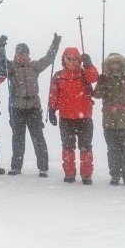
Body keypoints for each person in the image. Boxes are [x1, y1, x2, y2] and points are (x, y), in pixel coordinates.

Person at [0, 33, 60, 177]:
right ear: (16, 55)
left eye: (25, 54)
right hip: (17, 108)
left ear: (28, 55)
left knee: (38, 138)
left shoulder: (34, 66)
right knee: (18, 138)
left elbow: (49, 58)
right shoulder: (11, 67)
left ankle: (43, 167)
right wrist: (0, 46)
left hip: (34, 108)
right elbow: (1, 60)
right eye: (20, 54)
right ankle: (16, 167)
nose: (23, 56)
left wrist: (55, 44)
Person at [47, 47, 99, 184]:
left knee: (85, 147)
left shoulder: (84, 73)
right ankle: (69, 174)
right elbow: (53, 94)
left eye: (75, 58)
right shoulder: (58, 76)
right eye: (68, 58)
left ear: (79, 60)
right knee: (68, 147)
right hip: (66, 118)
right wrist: (52, 110)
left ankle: (86, 175)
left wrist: (89, 64)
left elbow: (94, 77)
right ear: (63, 59)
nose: (71, 61)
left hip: (85, 118)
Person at [93, 53, 125, 186]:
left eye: (117, 63)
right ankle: (115, 175)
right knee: (112, 150)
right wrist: (101, 82)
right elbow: (97, 95)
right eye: (111, 63)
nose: (114, 66)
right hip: (110, 120)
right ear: (107, 66)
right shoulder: (104, 79)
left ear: (122, 64)